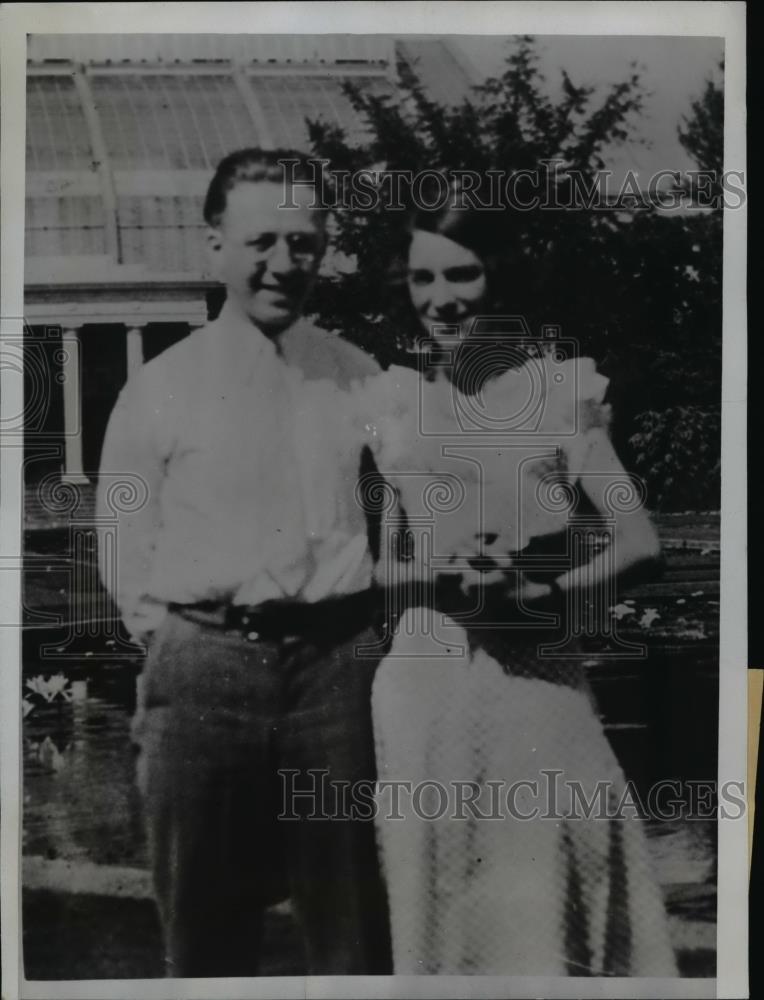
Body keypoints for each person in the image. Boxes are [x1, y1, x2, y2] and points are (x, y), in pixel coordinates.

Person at [359, 178, 680, 976]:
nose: (441, 299)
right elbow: (378, 573)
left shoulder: (558, 394)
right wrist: (430, 580)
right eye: (424, 278)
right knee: (438, 921)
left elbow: (641, 543)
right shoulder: (394, 405)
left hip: (536, 681)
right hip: (424, 691)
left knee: (550, 913)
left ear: (499, 277)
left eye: (462, 275)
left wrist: (550, 596)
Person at [96, 148, 392, 977]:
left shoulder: (357, 377)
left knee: (353, 925)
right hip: (202, 669)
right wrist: (175, 646)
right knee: (202, 923)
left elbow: (429, 494)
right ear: (214, 246)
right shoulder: (160, 386)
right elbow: (123, 531)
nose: (284, 264)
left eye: (304, 244)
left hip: (336, 672)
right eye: (263, 241)